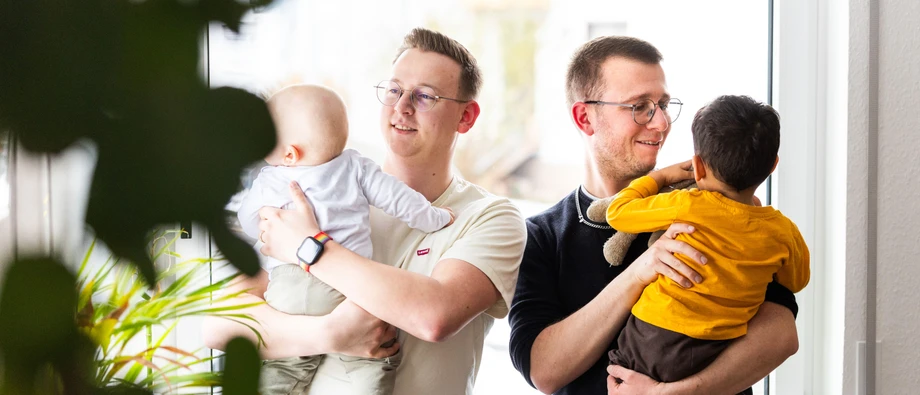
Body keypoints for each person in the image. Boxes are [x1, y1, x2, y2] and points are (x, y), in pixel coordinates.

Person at [203, 27, 526, 395]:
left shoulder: (490, 217)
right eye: (394, 90)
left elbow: (434, 316)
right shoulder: (324, 191)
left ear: (466, 117)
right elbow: (219, 325)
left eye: (425, 96)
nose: (402, 106)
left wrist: (310, 247)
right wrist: (330, 334)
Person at [508, 36, 801, 395]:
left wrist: (672, 394)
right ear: (585, 118)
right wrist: (640, 272)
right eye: (640, 106)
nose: (661, 123)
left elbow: (781, 334)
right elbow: (543, 369)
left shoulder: (710, 207)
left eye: (663, 104)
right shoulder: (540, 236)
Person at [235, 84, 456, 394]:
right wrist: (437, 218)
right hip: (353, 285)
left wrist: (266, 233)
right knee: (371, 360)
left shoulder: (273, 178)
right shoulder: (356, 166)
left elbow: (248, 220)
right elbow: (401, 200)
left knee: (283, 366)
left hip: (292, 289)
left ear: (289, 153)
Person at [603, 94, 810, 384]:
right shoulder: (783, 232)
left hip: (653, 338)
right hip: (718, 349)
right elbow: (796, 282)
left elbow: (617, 212)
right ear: (772, 165)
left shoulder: (689, 204)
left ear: (697, 167)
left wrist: (659, 178)